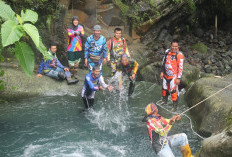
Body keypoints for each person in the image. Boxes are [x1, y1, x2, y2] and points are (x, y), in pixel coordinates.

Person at [160, 39, 184, 112]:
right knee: (164, 88)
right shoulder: (167, 52)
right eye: (173, 46)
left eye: (176, 46)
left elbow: (180, 68)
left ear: (178, 46)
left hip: (174, 76)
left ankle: (174, 106)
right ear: (171, 46)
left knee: (173, 91)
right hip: (166, 74)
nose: (174, 48)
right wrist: (162, 71)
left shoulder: (180, 55)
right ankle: (164, 100)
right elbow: (163, 62)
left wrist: (179, 78)